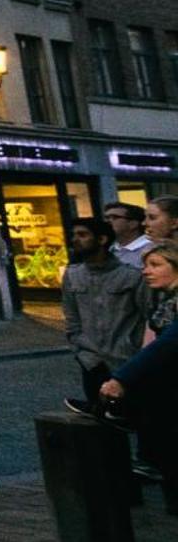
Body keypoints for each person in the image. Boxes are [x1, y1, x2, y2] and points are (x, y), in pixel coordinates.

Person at [103, 242, 178, 508]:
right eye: (146, 265)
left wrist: (123, 377)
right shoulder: (165, 301)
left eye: (156, 265)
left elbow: (168, 343)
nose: (146, 271)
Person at [59, 216, 147, 418]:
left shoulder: (132, 276)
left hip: (126, 361)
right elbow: (71, 319)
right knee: (99, 426)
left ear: (102, 239)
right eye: (73, 235)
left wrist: (137, 352)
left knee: (132, 418)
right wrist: (82, 353)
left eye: (82, 235)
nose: (75, 239)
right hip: (91, 362)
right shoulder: (72, 275)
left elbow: (147, 316)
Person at [106, 202, 154, 269]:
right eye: (107, 218)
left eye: (115, 217)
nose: (108, 221)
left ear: (133, 223)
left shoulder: (151, 249)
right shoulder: (109, 249)